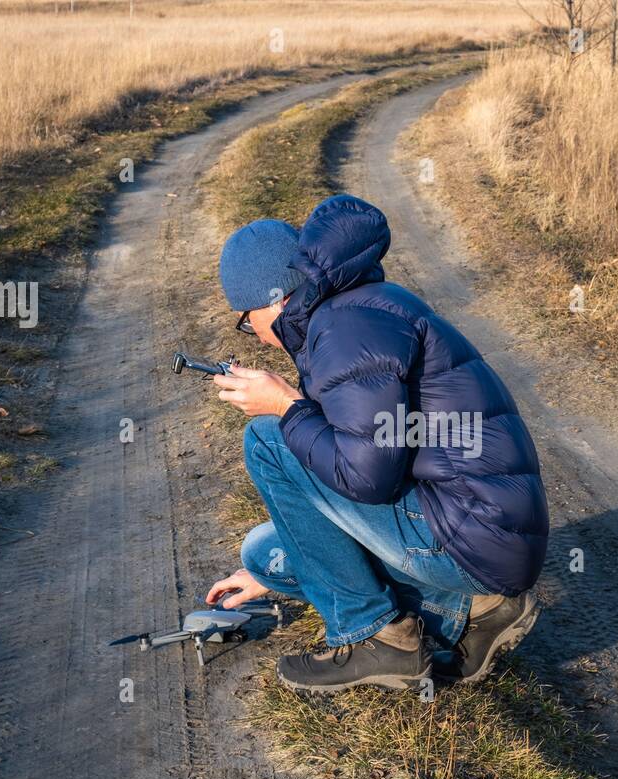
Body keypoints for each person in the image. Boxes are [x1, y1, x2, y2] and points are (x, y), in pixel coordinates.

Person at [204, 194, 547, 695]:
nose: (252, 334)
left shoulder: (344, 329)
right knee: (265, 556)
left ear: (276, 299)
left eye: (245, 316)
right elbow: (369, 452)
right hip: (485, 530)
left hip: (471, 536)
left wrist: (285, 407)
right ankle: (475, 609)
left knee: (266, 440)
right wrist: (288, 567)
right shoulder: (358, 311)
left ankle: (376, 639)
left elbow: (366, 477)